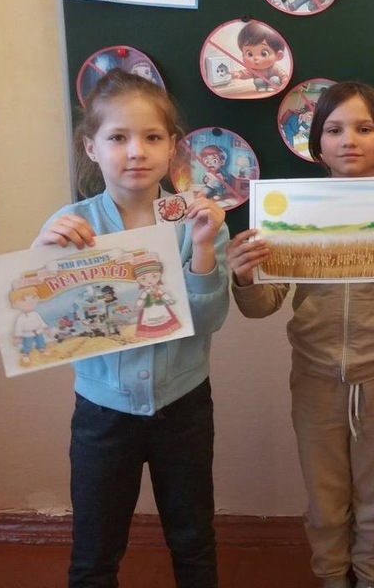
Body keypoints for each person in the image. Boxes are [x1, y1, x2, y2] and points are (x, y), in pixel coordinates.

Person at [226, 81, 374, 588]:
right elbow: (263, 306)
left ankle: (370, 578)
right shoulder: (289, 210)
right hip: (314, 379)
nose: (349, 140)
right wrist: (244, 277)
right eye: (334, 129)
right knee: (325, 500)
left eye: (364, 128)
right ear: (317, 143)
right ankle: (332, 577)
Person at [32, 69, 229, 588]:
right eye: (118, 137)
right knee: (95, 549)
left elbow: (209, 320)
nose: (136, 151)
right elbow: (42, 321)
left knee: (193, 540)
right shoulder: (71, 225)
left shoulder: (200, 222)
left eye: (152, 137)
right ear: (91, 147)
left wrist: (203, 248)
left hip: (184, 407)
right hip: (102, 413)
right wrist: (41, 256)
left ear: (172, 146)